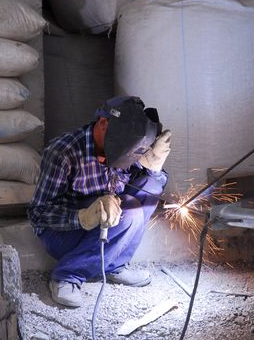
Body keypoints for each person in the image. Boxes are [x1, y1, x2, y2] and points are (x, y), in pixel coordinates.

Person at [28, 96, 171, 308]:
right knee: (130, 212)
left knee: (151, 187)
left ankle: (114, 265)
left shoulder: (127, 145)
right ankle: (67, 275)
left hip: (105, 227)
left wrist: (153, 168)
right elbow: (38, 214)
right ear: (103, 124)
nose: (127, 154)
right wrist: (83, 217)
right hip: (65, 233)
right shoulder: (64, 152)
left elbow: (144, 186)